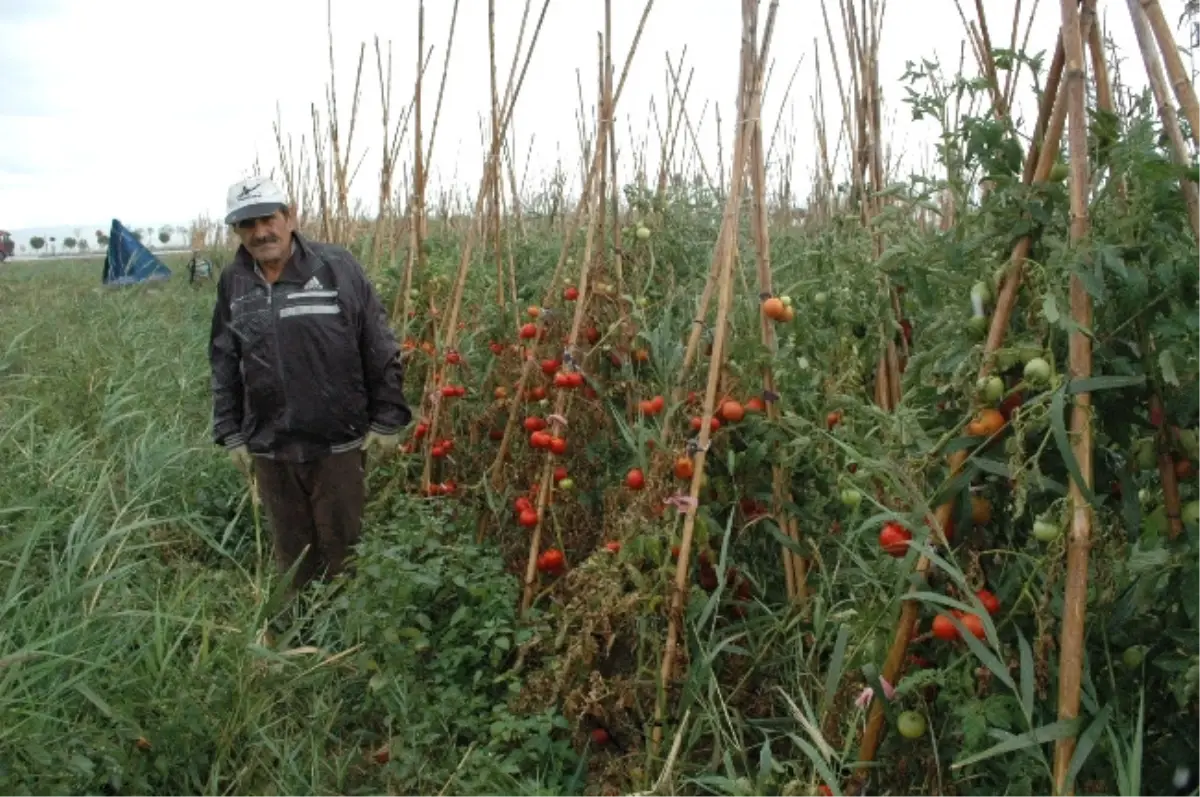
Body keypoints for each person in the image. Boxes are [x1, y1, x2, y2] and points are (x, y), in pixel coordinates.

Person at [208, 176, 411, 591]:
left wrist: (388, 416)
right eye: (248, 225)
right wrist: (229, 431)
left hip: (336, 439)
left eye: (268, 219)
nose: (260, 232)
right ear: (236, 231)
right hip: (270, 443)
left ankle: (345, 639)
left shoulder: (335, 267)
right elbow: (224, 357)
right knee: (293, 554)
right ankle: (298, 640)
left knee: (344, 551)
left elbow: (377, 341)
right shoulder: (235, 280)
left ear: (290, 216)